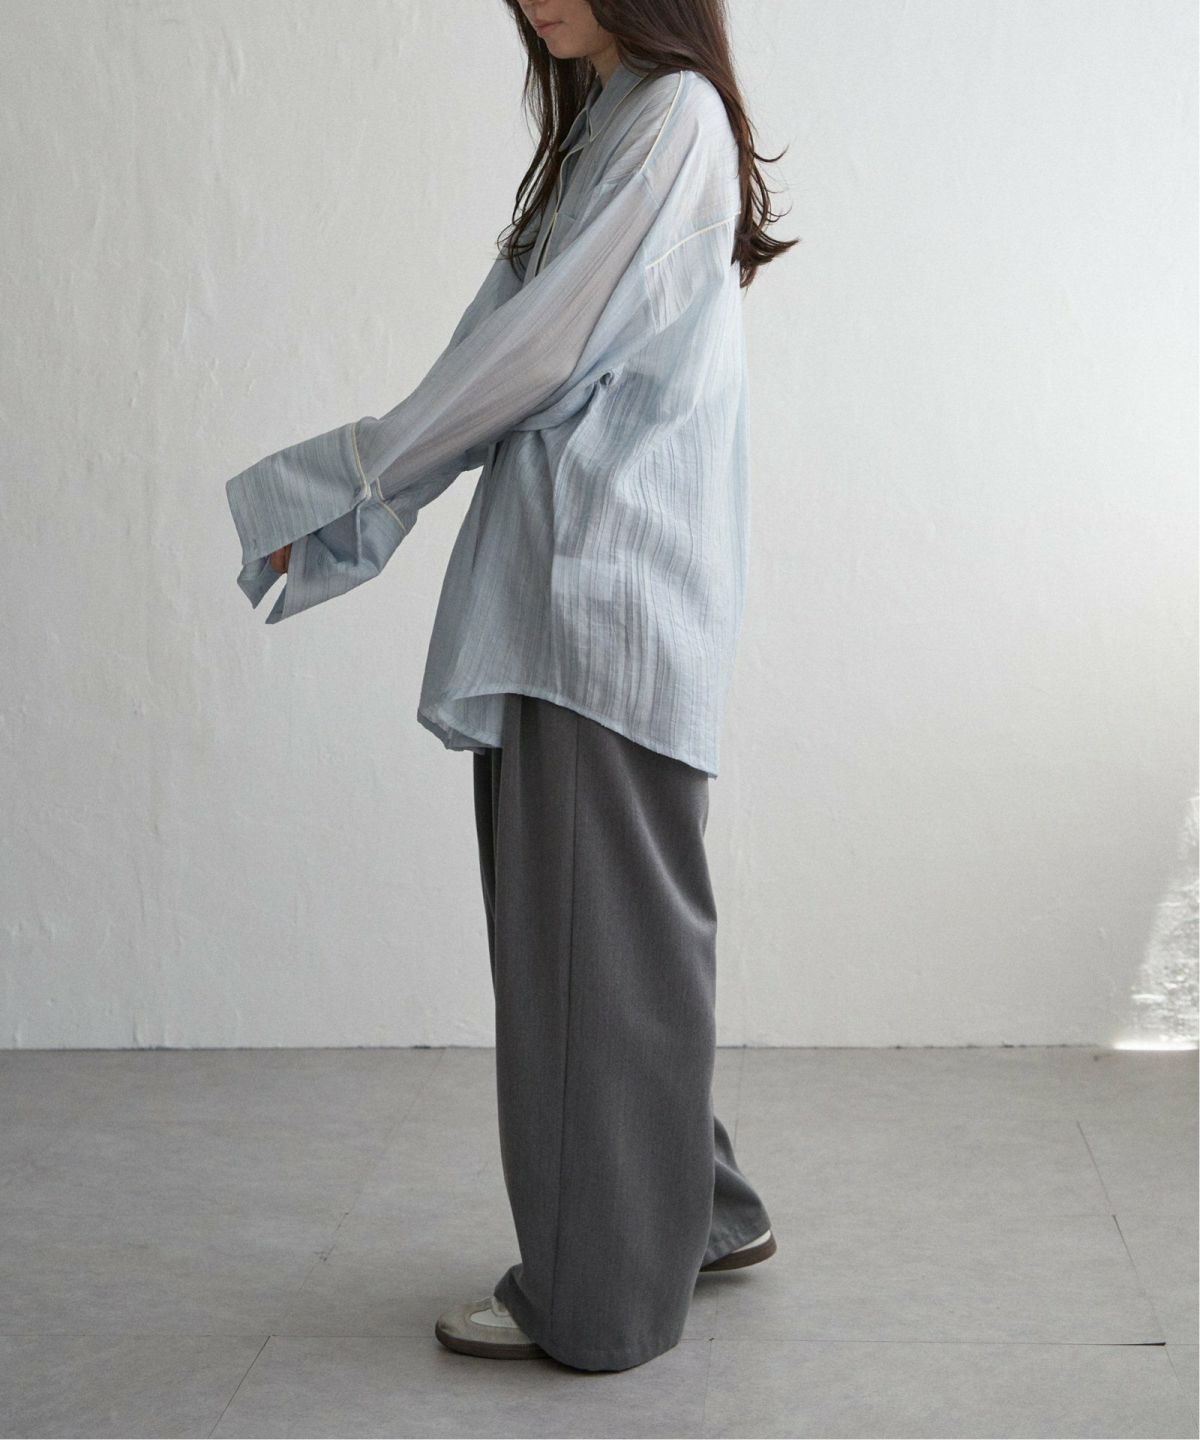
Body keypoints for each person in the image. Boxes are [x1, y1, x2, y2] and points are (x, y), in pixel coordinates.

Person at [225, 0, 797, 1374]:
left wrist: (350, 486)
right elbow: (499, 345)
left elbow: (533, 355)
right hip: (588, 592)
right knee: (614, 946)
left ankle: (599, 1300)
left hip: (598, 596)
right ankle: (700, 1214)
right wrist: (357, 505)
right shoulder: (618, 116)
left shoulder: (668, 117)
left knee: (589, 958)